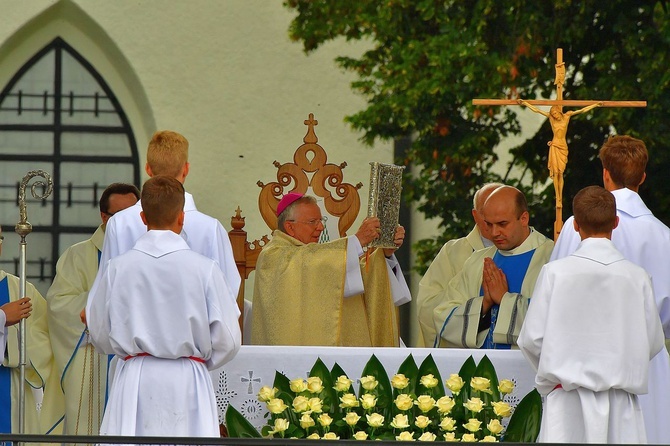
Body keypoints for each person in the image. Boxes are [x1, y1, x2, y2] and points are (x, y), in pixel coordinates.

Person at [85, 175, 241, 437]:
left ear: (143, 218)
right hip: (188, 380)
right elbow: (228, 339)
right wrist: (197, 361)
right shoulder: (205, 270)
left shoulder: (117, 269)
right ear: (182, 217)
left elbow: (99, 330)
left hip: (136, 377)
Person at [518, 186, 664, 443]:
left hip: (567, 402)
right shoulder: (637, 277)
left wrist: (558, 374)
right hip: (621, 406)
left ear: (574, 226)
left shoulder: (555, 273)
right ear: (616, 222)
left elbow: (531, 340)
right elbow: (652, 342)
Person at [550, 135, 670, 444]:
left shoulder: (579, 225)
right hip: (644, 362)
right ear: (643, 177)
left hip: (583, 362)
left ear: (605, 173)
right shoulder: (663, 236)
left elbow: (555, 300)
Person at [93, 130, 240, 300]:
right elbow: (226, 296)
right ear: (186, 169)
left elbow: (105, 293)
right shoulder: (211, 229)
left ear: (148, 168)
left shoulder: (118, 223)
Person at [251, 193, 411, 346]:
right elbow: (308, 261)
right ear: (290, 227)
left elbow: (354, 279)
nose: (320, 227)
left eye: (321, 221)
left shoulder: (320, 257)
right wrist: (358, 240)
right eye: (313, 221)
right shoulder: (273, 254)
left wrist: (384, 253)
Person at [43, 183, 139, 435]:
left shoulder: (147, 255)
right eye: (118, 217)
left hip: (139, 359)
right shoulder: (78, 255)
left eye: (132, 214)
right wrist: (103, 302)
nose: (126, 223)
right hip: (93, 358)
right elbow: (58, 305)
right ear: (103, 217)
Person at [433, 185, 554, 349]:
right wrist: (483, 304)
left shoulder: (551, 258)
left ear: (524, 218)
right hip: (480, 372)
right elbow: (443, 316)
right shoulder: (477, 261)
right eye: (489, 224)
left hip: (528, 370)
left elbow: (556, 320)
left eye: (502, 224)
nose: (494, 232)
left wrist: (505, 299)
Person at [416, 182, 503, 347]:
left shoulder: (528, 250)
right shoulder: (452, 252)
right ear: (475, 215)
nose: (493, 218)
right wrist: (475, 302)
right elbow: (427, 305)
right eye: (486, 212)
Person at [0, 225, 50, 433]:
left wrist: (16, 344)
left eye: (0, 239)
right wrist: (3, 317)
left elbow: (45, 340)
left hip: (10, 389)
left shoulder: (21, 290)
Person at [517, 99, 603, 208]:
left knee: (561, 173)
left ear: (559, 112)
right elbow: (537, 110)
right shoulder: (552, 120)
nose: (555, 115)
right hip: (554, 146)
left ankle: (559, 197)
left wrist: (595, 105)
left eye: (555, 113)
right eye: (553, 114)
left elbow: (582, 110)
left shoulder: (567, 116)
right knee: (556, 173)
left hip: (562, 147)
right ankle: (557, 197)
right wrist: (525, 103)